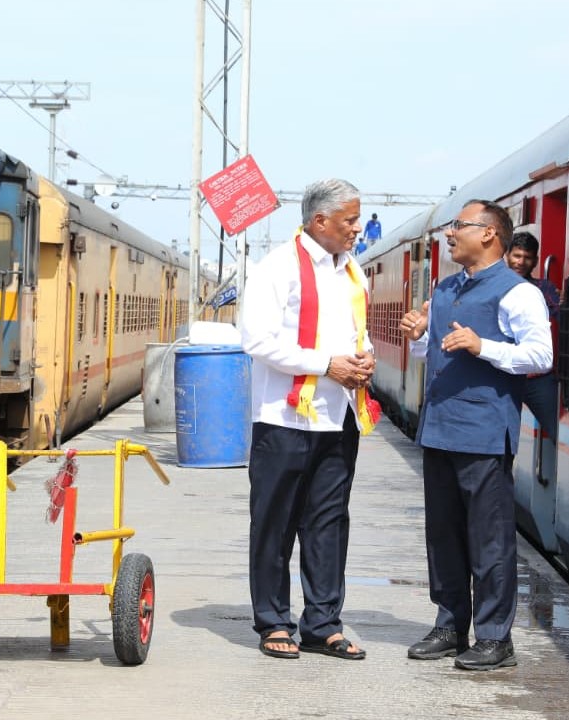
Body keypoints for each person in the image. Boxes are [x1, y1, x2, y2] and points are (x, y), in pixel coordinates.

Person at [397, 199, 552, 670]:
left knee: (489, 540)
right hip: (440, 428)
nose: (449, 234)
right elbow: (435, 353)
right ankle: (450, 625)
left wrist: (483, 345)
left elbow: (541, 356)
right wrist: (419, 336)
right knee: (443, 536)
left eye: (459, 225)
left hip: (484, 433)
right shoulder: (445, 289)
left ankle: (494, 637)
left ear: (488, 234)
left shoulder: (519, 293)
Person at [240, 178, 381, 661]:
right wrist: (327, 366)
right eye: (349, 220)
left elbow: (355, 334)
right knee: (275, 524)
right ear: (320, 221)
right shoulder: (277, 269)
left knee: (329, 524)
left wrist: (364, 357)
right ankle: (273, 622)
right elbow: (257, 340)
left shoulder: (353, 272)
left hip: (338, 417)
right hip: (284, 419)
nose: (357, 229)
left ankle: (322, 624)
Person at [506, 232, 560, 444]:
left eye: (527, 257)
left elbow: (560, 315)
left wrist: (565, 303)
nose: (521, 262)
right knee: (500, 435)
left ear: (535, 261)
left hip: (536, 377)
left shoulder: (544, 289)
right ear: (507, 255)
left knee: (559, 431)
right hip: (502, 374)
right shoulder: (494, 286)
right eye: (517, 255)